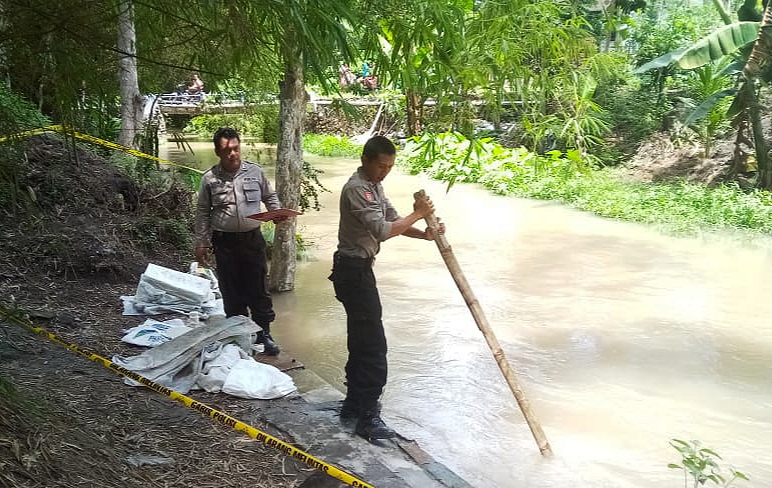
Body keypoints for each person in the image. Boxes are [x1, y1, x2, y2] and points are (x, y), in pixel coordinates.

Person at [329, 135, 444, 441]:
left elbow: (393, 219)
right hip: (353, 272)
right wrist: (418, 213)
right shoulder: (356, 188)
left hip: (359, 269)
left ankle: (353, 405)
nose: (385, 172)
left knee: (361, 339)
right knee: (374, 346)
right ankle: (368, 415)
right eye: (381, 166)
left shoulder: (374, 186)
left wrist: (425, 233)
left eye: (390, 167)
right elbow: (382, 231)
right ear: (366, 160)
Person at [194, 127, 286, 355]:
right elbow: (203, 211)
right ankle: (239, 335)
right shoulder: (210, 179)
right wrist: (201, 242)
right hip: (225, 243)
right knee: (231, 290)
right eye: (227, 150)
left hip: (252, 240)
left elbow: (270, 196)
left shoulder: (255, 172)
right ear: (218, 151)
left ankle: (264, 334)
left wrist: (276, 213)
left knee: (258, 288)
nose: (232, 154)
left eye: (235, 148)